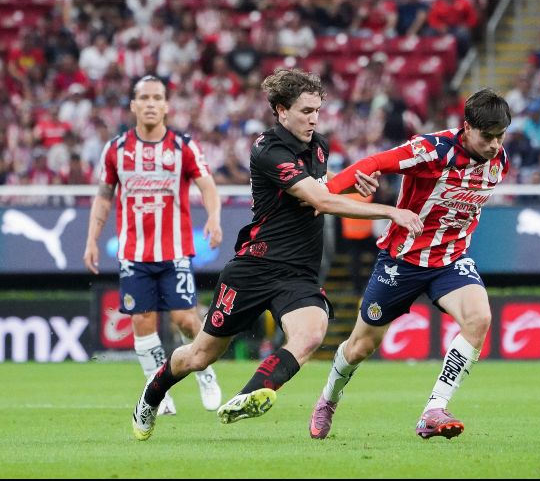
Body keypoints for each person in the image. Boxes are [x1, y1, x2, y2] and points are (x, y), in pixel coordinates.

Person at [131, 68, 423, 441]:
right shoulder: (267, 149)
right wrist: (389, 210)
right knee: (200, 355)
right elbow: (318, 199)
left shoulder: (319, 146)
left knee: (311, 333)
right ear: (281, 111)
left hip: (298, 274)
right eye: (305, 111)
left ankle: (246, 396)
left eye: (317, 110)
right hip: (254, 267)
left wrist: (352, 184)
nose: (313, 118)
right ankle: (150, 396)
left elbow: (322, 189)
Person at [308, 88, 512, 440]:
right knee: (360, 346)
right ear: (467, 127)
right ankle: (328, 399)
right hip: (400, 262)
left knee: (479, 318)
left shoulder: (499, 161)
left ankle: (434, 409)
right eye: (487, 136)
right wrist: (322, 194)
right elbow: (373, 164)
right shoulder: (433, 150)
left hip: (450, 260)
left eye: (500, 136)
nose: (495, 145)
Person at [83, 75, 224, 417]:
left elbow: (207, 186)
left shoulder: (183, 146)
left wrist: (214, 217)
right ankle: (157, 392)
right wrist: (91, 239)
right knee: (142, 323)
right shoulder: (116, 149)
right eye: (143, 97)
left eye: (156, 97)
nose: (149, 103)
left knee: (186, 320)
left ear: (165, 105)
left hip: (174, 251)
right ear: (133, 105)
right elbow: (104, 197)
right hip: (134, 253)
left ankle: (204, 371)